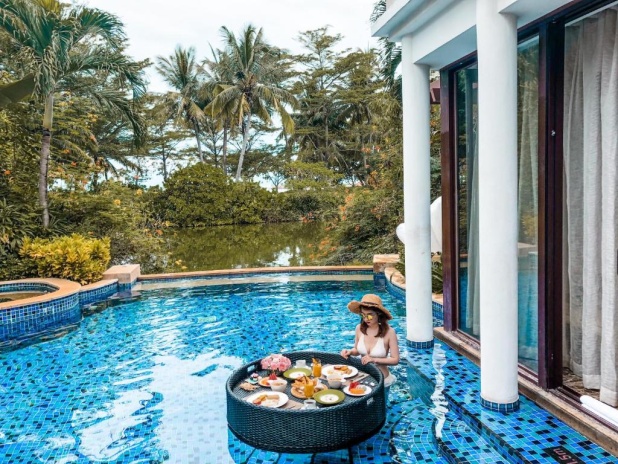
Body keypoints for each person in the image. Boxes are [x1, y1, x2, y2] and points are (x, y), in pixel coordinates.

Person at [340, 293, 399, 399]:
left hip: (382, 380)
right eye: (363, 315)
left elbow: (395, 360)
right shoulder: (359, 328)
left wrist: (374, 359)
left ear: (379, 314)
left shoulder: (390, 332)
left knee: (381, 408)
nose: (366, 319)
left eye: (370, 315)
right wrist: (350, 352)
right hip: (363, 378)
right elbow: (357, 350)